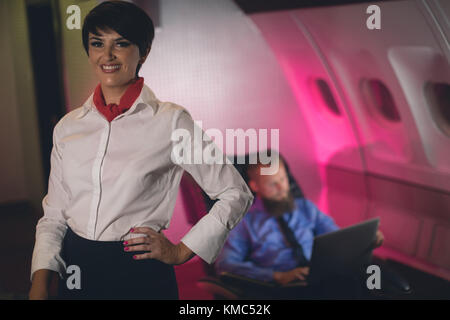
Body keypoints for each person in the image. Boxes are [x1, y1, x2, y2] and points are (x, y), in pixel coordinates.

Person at [29, 1, 254, 300]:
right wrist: (40, 283)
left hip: (139, 269)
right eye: (97, 43)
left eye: (120, 44)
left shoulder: (171, 121)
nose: (107, 55)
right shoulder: (68, 128)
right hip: (76, 267)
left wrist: (181, 251)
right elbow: (55, 214)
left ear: (143, 51)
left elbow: (235, 193)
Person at [214, 151, 384, 299]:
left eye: (283, 179)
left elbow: (336, 239)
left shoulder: (305, 208)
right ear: (255, 186)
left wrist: (364, 241)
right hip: (281, 288)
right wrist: (277, 276)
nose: (282, 188)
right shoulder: (243, 221)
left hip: (318, 275)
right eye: (273, 183)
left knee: (364, 281)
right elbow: (226, 264)